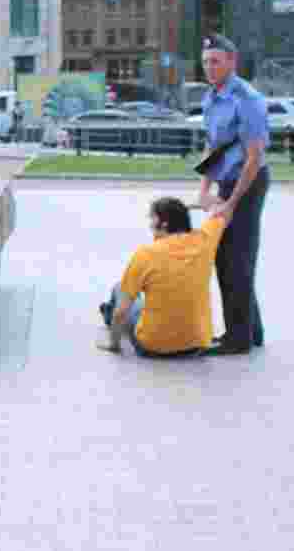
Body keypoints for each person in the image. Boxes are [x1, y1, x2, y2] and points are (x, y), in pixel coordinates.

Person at [196, 34, 270, 355]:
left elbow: (254, 157)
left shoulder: (247, 99)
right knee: (229, 258)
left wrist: (231, 203)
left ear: (231, 62)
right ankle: (252, 331)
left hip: (248, 184)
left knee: (234, 260)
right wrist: (204, 190)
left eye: (215, 61)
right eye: (205, 62)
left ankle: (237, 339)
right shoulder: (211, 98)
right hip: (227, 182)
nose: (209, 68)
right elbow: (213, 146)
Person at [97, 197, 230, 357]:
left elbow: (122, 312)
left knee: (120, 290)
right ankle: (109, 312)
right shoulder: (204, 240)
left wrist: (114, 346)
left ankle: (109, 316)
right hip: (195, 345)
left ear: (164, 223)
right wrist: (188, 207)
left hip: (152, 347)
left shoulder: (145, 254)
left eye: (152, 217)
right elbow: (223, 209)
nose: (150, 223)